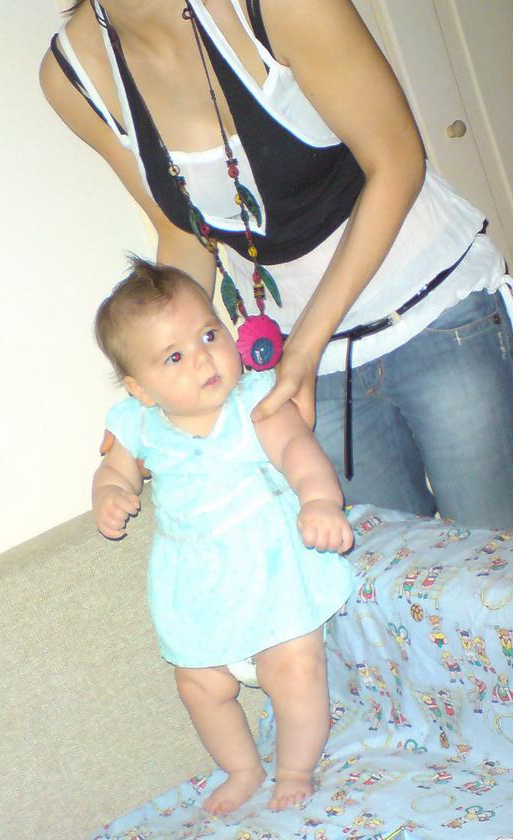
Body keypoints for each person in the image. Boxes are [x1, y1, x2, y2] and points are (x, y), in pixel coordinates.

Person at [41, 0, 512, 528]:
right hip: (300, 370)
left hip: (432, 312)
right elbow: (183, 233)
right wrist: (157, 386)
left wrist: (305, 345)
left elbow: (397, 160)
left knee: (496, 554)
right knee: (382, 565)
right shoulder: (74, 76)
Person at [92, 258, 354, 814]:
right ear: (140, 389)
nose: (202, 357)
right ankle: (241, 767)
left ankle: (294, 768)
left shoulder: (254, 402)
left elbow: (297, 449)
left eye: (208, 335)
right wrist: (110, 493)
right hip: (199, 598)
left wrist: (319, 499)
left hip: (274, 584)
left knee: (297, 674)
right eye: (174, 356)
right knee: (198, 688)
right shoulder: (138, 426)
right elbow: (114, 470)